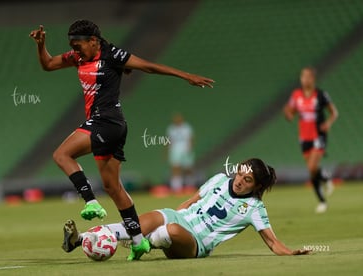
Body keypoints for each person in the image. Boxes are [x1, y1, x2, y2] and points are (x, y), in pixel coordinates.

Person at [29, 20, 214, 260]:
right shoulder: (78, 57)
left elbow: (148, 66)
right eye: (72, 45)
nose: (75, 50)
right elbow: (48, 64)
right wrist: (41, 45)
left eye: (78, 45)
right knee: (113, 188)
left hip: (106, 122)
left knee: (61, 155)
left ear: (94, 41)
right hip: (113, 126)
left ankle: (90, 202)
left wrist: (185, 75)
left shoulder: (112, 55)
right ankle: (138, 243)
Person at [61, 158, 311, 259]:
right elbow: (191, 201)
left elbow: (272, 242)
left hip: (195, 243)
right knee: (139, 222)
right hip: (179, 218)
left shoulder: (254, 207)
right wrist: (175, 214)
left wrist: (290, 253)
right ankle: (79, 239)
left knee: (169, 230)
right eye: (241, 173)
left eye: (247, 180)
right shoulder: (218, 180)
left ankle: (142, 243)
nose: (239, 180)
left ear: (255, 187)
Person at [283, 67, 338, 214]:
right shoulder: (296, 95)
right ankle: (322, 199)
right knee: (311, 171)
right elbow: (291, 112)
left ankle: (325, 181)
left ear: (313, 79)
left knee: (312, 167)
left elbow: (334, 112)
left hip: (318, 135)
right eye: (303, 77)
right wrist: (288, 114)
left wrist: (328, 123)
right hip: (304, 136)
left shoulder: (320, 95)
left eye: (308, 77)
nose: (305, 79)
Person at [167, 113, 195, 194]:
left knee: (188, 168)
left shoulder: (186, 128)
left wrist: (190, 148)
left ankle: (190, 186)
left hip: (186, 149)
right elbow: (169, 140)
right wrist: (168, 150)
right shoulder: (171, 128)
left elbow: (190, 138)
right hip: (175, 150)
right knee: (176, 168)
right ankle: (176, 188)